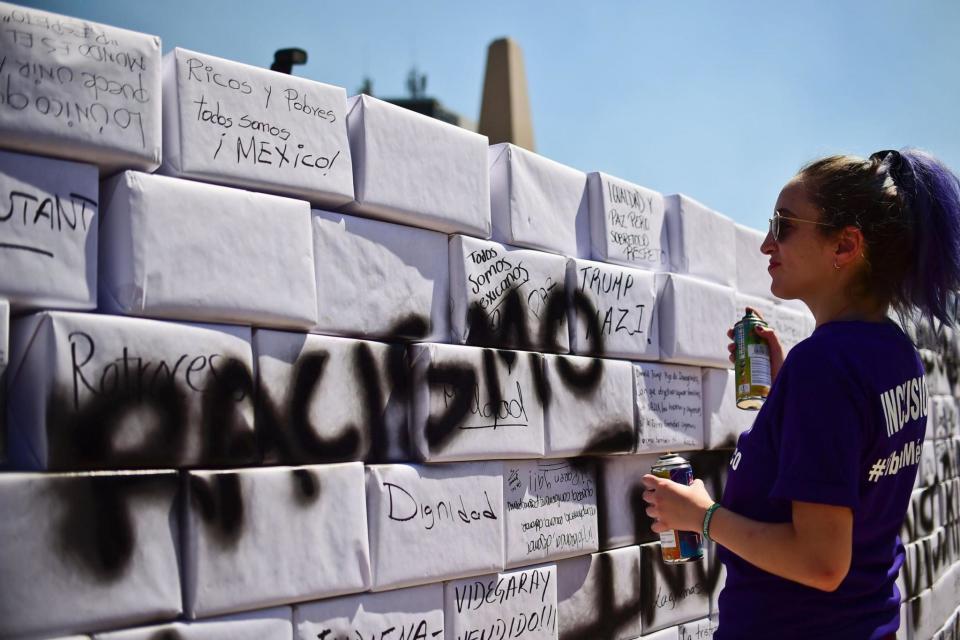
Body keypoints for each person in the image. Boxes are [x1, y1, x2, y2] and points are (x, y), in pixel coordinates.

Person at [641, 148, 960, 639]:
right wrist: (790, 389)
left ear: (845, 246)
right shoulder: (895, 353)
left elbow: (820, 562)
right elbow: (858, 458)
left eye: (784, 224)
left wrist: (700, 516)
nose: (767, 243)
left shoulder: (826, 368)